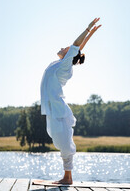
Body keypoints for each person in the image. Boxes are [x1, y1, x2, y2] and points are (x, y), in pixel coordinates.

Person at [40, 18, 102, 184]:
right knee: (58, 140)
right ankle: (67, 177)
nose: (63, 47)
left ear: (69, 55)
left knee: (64, 143)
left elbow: (76, 46)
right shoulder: (61, 63)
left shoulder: (64, 65)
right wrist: (89, 36)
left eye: (66, 48)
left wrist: (87, 29)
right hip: (54, 110)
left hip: (58, 110)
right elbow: (77, 48)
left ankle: (68, 178)